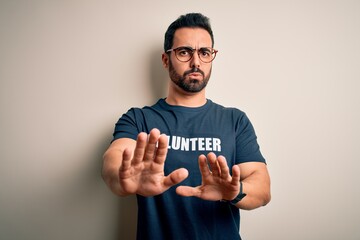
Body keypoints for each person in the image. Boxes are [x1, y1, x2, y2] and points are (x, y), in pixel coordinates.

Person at [102, 13, 271, 240]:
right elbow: (113, 162)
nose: (196, 62)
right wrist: (124, 181)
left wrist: (234, 192)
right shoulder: (138, 119)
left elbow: (263, 188)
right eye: (184, 52)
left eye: (204, 52)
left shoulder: (235, 120)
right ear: (165, 59)